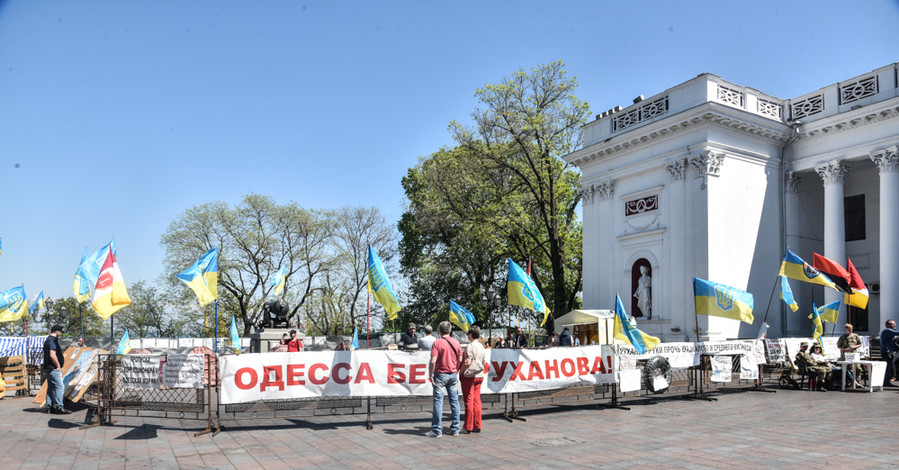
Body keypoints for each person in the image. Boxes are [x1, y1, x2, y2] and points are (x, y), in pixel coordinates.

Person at [426, 321, 462, 437]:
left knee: (438, 402)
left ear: (439, 331)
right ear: (450, 330)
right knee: (454, 402)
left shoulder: (437, 343)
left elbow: (433, 361)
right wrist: (456, 369)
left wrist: (430, 374)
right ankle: (455, 428)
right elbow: (460, 359)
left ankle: (437, 430)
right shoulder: (456, 342)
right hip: (452, 374)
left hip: (440, 375)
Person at [460, 326, 486, 434]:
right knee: (477, 401)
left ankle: (467, 427)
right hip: (479, 375)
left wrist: (461, 371)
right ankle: (477, 424)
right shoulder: (481, 346)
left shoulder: (470, 346)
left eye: (468, 334)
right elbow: (484, 362)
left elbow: (467, 362)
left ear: (471, 334)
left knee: (468, 401)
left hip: (469, 376)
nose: (467, 335)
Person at [42, 325, 70, 414]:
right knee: (60, 387)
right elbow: (52, 355)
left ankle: (49, 406)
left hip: (48, 367)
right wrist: (58, 365)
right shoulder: (52, 341)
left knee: (51, 387)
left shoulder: (47, 340)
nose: (60, 334)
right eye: (60, 332)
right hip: (53, 368)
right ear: (57, 332)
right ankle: (59, 406)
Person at [880, 319, 898, 387]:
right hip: (887, 352)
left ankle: (887, 381)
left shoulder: (889, 332)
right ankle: (886, 382)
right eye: (892, 324)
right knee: (888, 367)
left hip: (889, 352)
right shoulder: (887, 330)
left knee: (889, 367)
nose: (894, 325)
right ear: (887, 325)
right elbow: (897, 333)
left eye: (894, 324)